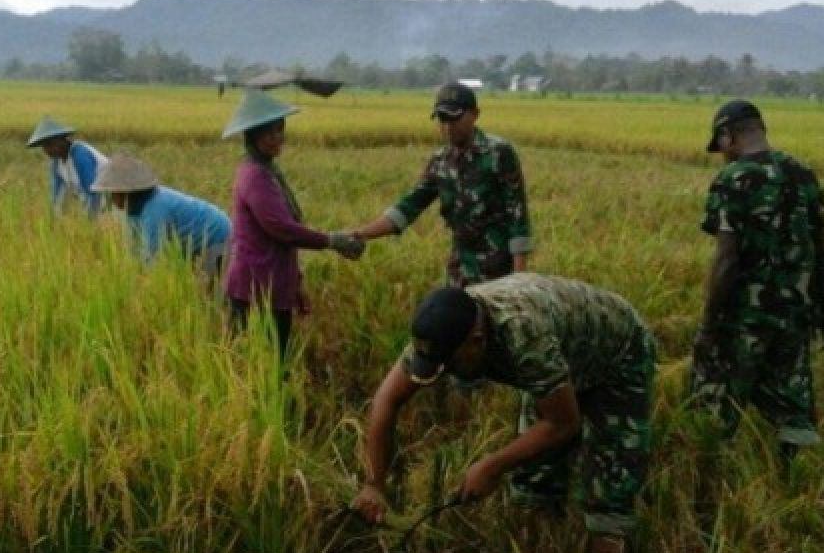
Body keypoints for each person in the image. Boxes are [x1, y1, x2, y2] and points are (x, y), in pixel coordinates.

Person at [353, 274, 655, 553]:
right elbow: (385, 401)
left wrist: (492, 467)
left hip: (616, 355)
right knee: (533, 478)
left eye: (452, 365)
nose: (445, 374)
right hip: (558, 355)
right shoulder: (440, 332)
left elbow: (563, 423)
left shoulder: (524, 335)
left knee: (609, 489)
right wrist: (374, 483)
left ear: (478, 341)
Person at [692, 99, 824, 460]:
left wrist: (709, 324)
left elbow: (726, 259)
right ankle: (794, 480)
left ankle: (709, 490)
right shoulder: (803, 173)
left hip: (744, 319)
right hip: (794, 314)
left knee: (715, 411)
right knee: (792, 409)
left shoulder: (734, 179)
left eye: (720, 146)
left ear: (728, 137)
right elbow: (820, 251)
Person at [222, 87, 364, 360]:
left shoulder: (268, 170)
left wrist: (296, 283)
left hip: (273, 284)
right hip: (255, 289)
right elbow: (282, 229)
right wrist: (333, 241)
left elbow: (284, 237)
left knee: (275, 363)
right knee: (257, 366)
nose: (278, 138)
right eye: (270, 132)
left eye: (280, 130)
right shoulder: (254, 176)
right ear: (252, 136)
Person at [349, 82, 533, 287]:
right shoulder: (440, 161)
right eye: (442, 119)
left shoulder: (498, 154)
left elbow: (518, 217)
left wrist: (518, 282)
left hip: (498, 271)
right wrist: (361, 233)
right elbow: (408, 208)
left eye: (454, 118)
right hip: (459, 269)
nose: (447, 126)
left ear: (475, 114)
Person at [91, 152, 232, 283]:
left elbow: (152, 259)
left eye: (115, 193)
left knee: (206, 292)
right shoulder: (133, 209)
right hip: (190, 242)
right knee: (185, 280)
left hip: (218, 237)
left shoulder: (155, 209)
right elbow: (134, 247)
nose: (113, 199)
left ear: (127, 192)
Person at [27, 116, 107, 216]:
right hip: (93, 204)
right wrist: (53, 221)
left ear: (62, 140)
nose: (47, 150)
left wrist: (90, 223)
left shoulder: (80, 154)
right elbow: (57, 197)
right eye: (44, 146)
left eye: (50, 144)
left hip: (114, 201)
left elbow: (94, 192)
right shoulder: (56, 164)